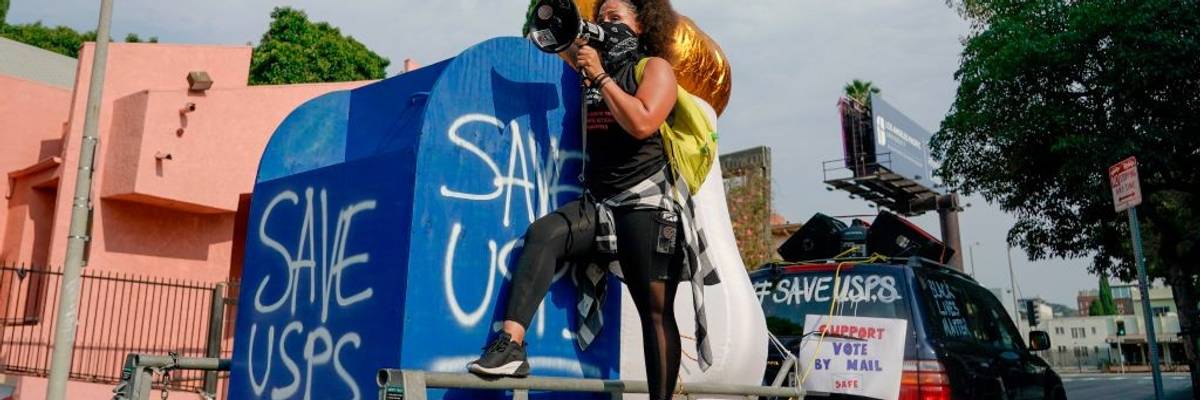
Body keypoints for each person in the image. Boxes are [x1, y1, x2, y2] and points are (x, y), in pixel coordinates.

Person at [469, 1, 715, 399]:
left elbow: (642, 122)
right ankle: (511, 345)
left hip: (645, 202)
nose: (606, 24)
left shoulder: (653, 69)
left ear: (642, 26)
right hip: (601, 203)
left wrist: (600, 76)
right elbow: (552, 36)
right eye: (601, 18)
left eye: (615, 18)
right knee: (545, 234)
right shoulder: (589, 69)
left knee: (654, 311)